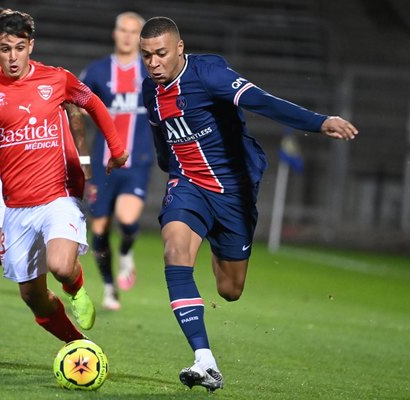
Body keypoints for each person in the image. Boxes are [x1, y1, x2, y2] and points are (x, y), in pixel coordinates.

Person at [139, 16, 358, 392]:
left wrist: (319, 122)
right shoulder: (150, 89)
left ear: (179, 48)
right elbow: (161, 136)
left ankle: (211, 238)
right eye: (146, 56)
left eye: (160, 54)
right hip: (187, 186)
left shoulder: (210, 75)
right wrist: (166, 166)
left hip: (233, 192)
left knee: (230, 289)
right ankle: (204, 360)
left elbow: (261, 101)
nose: (153, 63)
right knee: (174, 249)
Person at [0, 10, 128, 344]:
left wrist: (116, 149)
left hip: (58, 195)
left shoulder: (57, 79)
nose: (12, 57)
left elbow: (95, 104)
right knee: (32, 297)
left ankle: (76, 288)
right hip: (16, 207)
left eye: (18, 47)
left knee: (61, 266)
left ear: (31, 45)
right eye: (4, 48)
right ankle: (78, 345)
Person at [79, 11, 153, 311]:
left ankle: (125, 253)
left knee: (127, 218)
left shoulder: (150, 71)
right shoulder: (97, 71)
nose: (127, 35)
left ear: (141, 37)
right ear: (115, 32)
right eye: (122, 29)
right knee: (98, 231)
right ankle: (109, 288)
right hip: (102, 163)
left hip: (137, 162)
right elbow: (78, 104)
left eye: (133, 31)